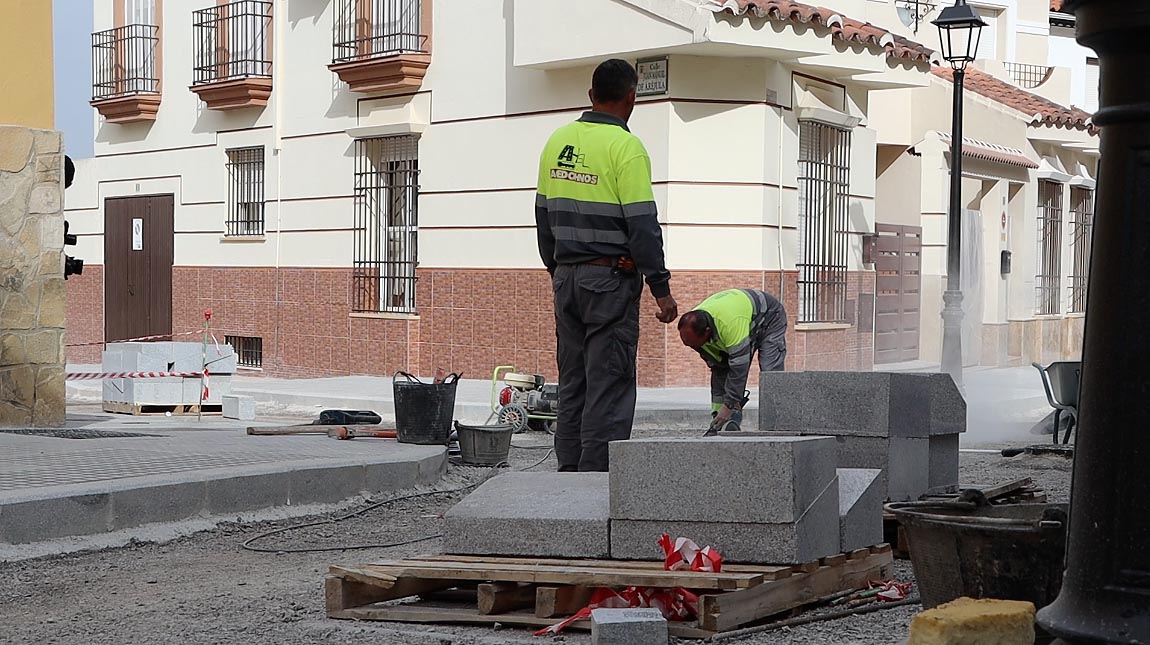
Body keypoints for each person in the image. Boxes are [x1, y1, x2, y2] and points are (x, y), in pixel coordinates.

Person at [535, 59, 678, 472]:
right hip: (609, 279)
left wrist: (560, 271)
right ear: (632, 97)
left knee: (574, 378)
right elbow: (642, 225)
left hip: (566, 278)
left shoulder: (556, 141)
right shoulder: (626, 147)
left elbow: (542, 217)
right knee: (609, 381)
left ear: (590, 95)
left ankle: (568, 470)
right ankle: (596, 480)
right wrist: (661, 289)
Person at [677, 289, 788, 434]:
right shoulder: (695, 326)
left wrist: (729, 405)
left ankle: (776, 421)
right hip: (743, 318)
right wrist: (720, 413)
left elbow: (739, 369)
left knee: (770, 371)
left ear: (707, 332)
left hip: (769, 316)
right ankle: (722, 420)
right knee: (720, 369)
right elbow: (719, 369)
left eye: (696, 344)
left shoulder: (730, 326)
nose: (694, 348)